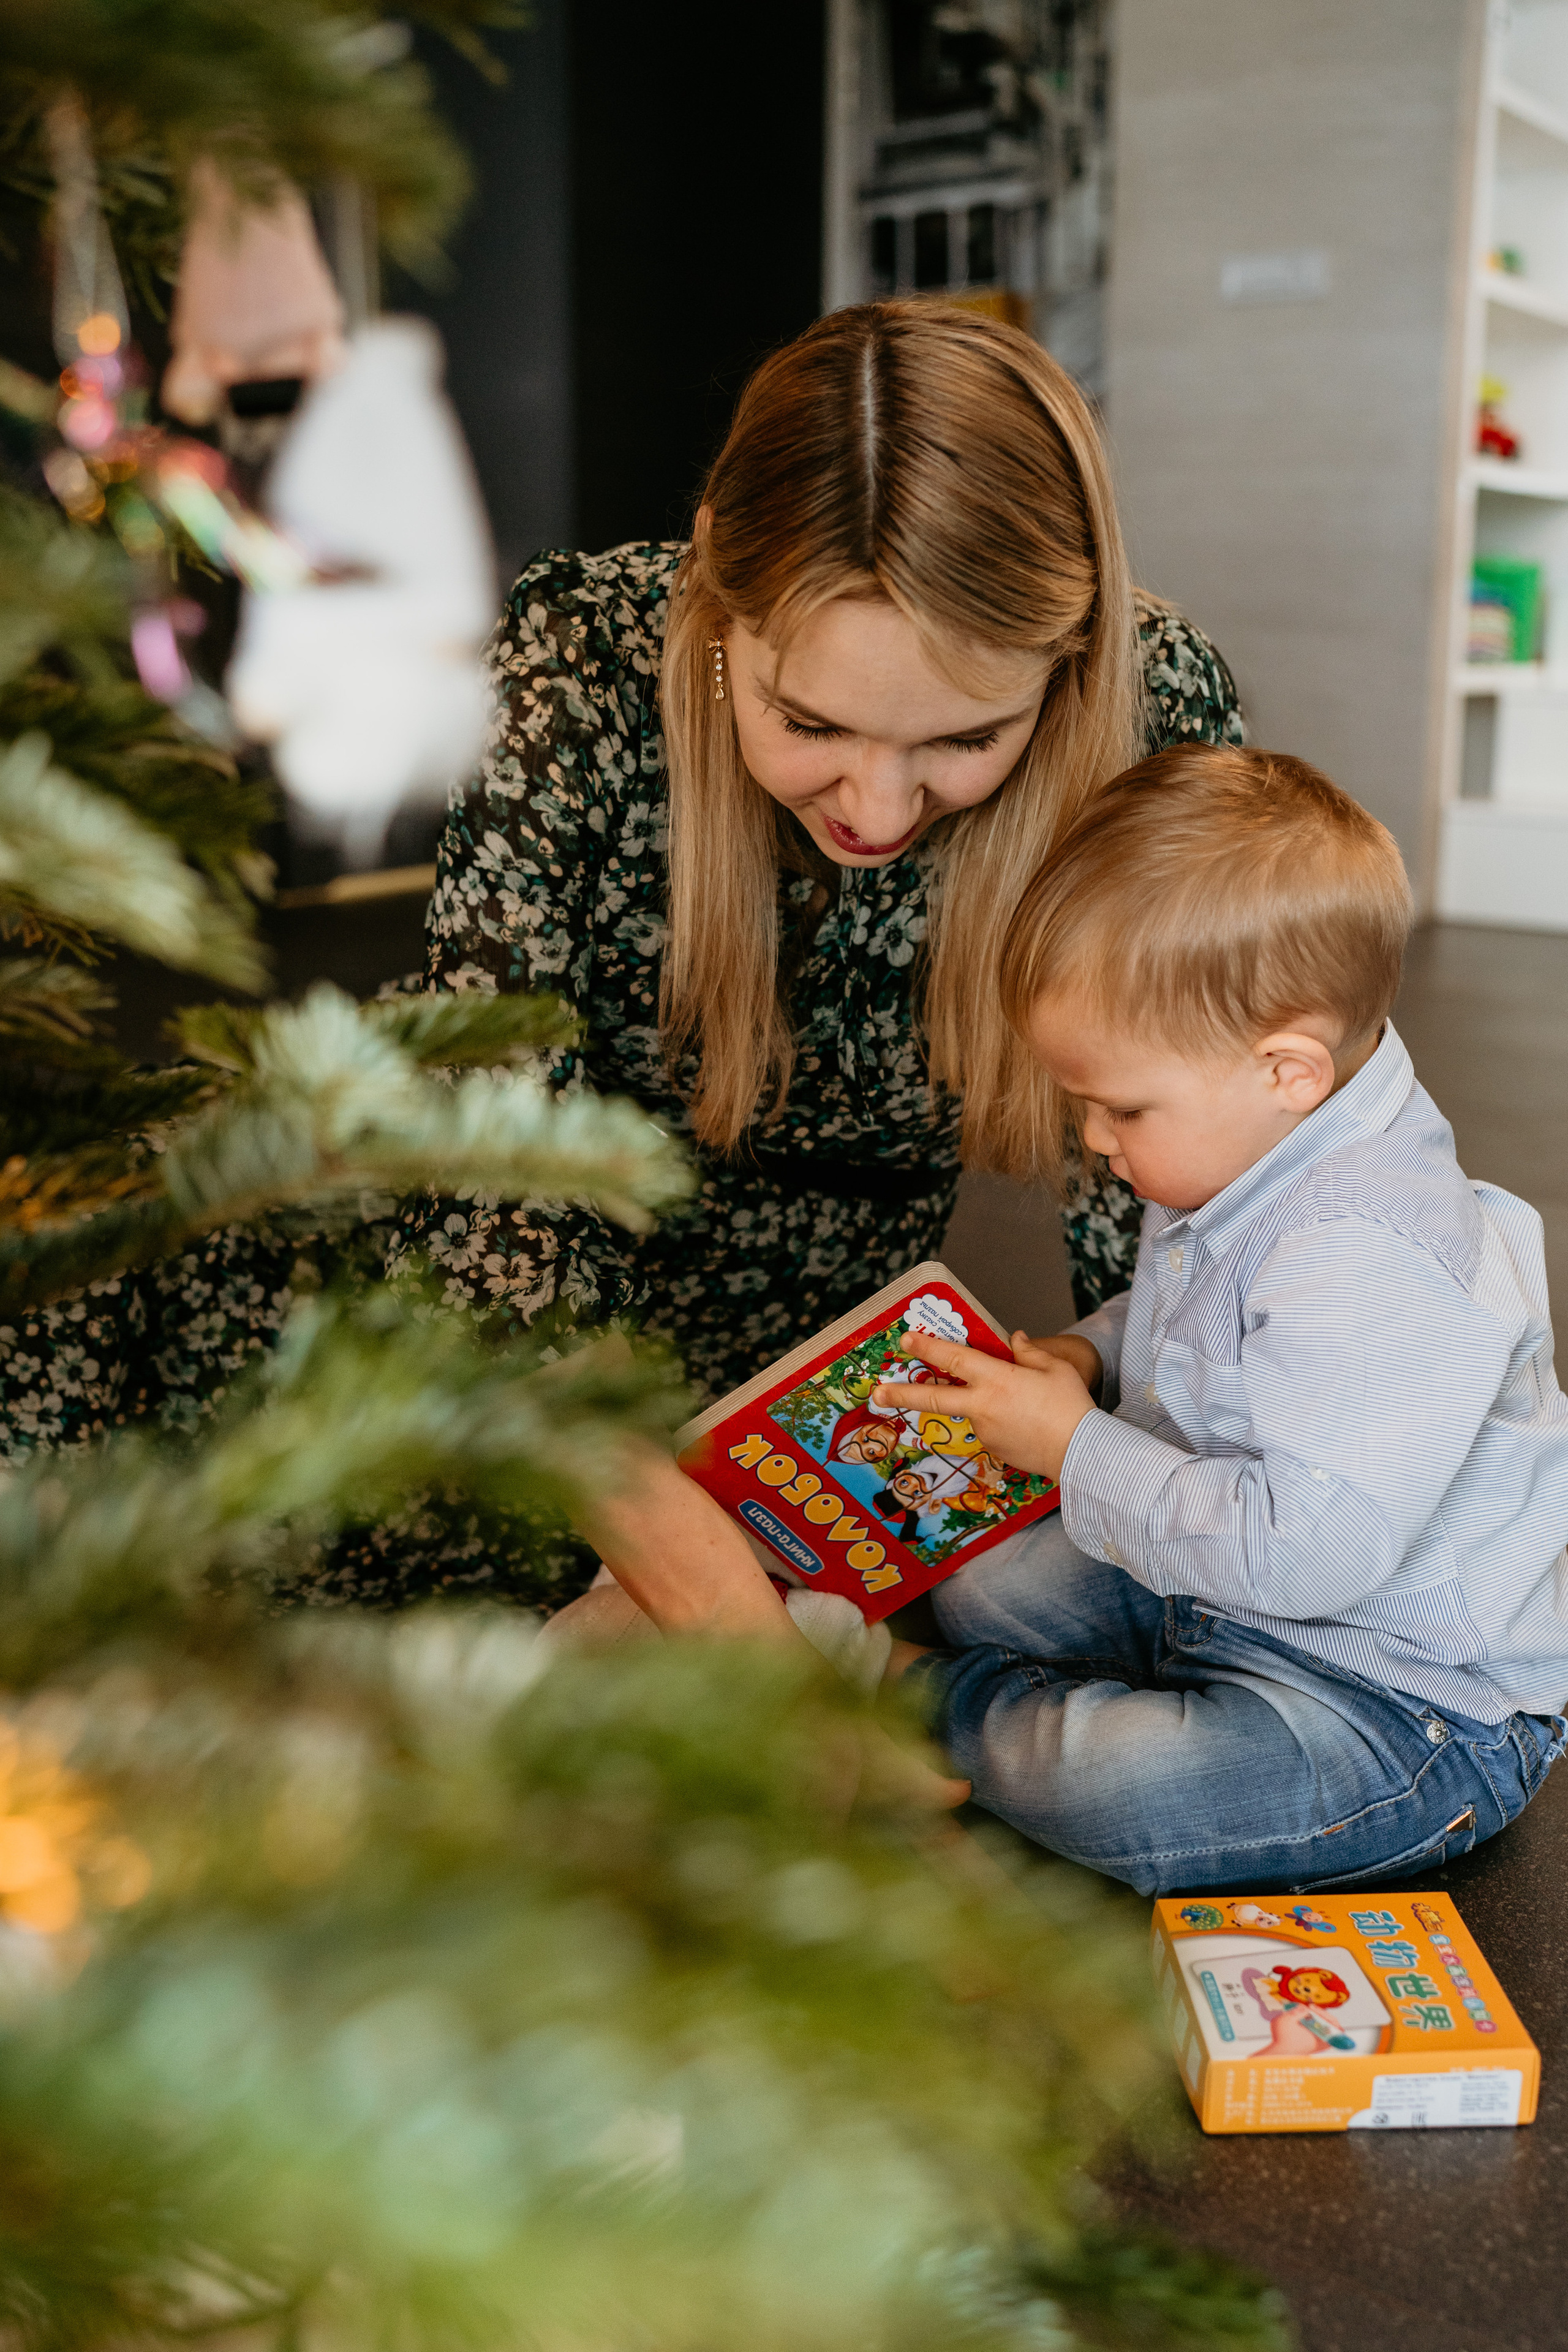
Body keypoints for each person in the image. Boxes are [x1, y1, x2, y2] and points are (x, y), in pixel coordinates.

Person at [1, 301, 1240, 1618]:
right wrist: (712, 1597)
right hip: (485, 1263)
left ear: (1065, 662)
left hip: (795, 1351)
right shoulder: (579, 660)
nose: (879, 811)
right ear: (714, 590)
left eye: (963, 740)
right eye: (809, 723)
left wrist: (1135, 1452)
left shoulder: (1154, 706)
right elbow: (486, 1153)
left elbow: (1178, 1200)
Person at [586, 746, 1568, 1896]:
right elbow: (1203, 1319)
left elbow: (1307, 1553)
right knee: (987, 1580)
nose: (1097, 1139)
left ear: (1287, 1070)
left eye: (1122, 1108)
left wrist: (1071, 1445)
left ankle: (897, 1699)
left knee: (1123, 1783)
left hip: (1397, 1705)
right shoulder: (1259, 1140)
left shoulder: (1378, 1256)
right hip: (1225, 1589)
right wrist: (1091, 1355)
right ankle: (961, 1679)